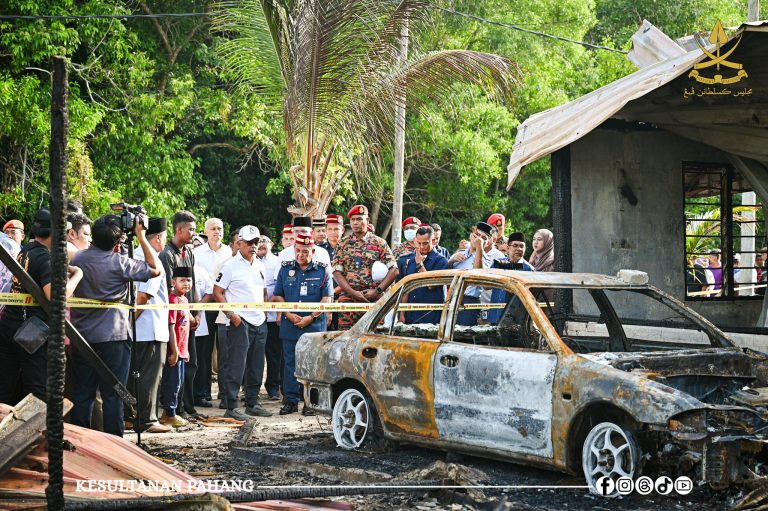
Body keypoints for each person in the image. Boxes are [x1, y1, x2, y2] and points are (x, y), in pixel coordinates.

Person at [70, 213, 161, 437]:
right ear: (118, 240)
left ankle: (79, 444)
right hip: (114, 337)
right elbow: (155, 269)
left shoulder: (78, 259)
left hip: (82, 336)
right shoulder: (120, 263)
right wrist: (141, 236)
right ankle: (114, 443)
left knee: (83, 393)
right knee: (114, 394)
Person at [0, 208, 83, 404]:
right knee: (38, 392)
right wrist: (78, 275)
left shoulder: (26, 250)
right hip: (32, 333)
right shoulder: (45, 257)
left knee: (5, 389)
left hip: (10, 326)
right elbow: (55, 296)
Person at [213, 225, 272, 420]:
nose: (253, 246)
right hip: (240, 321)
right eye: (249, 242)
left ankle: (252, 403)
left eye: (256, 242)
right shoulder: (230, 265)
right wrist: (232, 315)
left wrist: (263, 312)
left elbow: (263, 292)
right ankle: (231, 405)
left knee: (256, 365)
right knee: (236, 364)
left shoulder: (260, 265)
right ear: (239, 243)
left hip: (259, 320)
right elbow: (217, 292)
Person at [272, 233, 333, 415]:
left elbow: (326, 299)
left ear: (312, 252)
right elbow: (278, 295)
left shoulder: (322, 271)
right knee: (290, 364)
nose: (300, 255)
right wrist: (288, 314)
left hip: (313, 326)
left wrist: (311, 317)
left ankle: (310, 402)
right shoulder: (285, 270)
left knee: (312, 365)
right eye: (297, 251)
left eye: (305, 251)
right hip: (290, 324)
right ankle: (290, 401)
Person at [159, 211, 201, 419]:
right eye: (190, 229)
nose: (193, 233)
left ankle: (188, 407)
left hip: (188, 316)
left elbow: (192, 284)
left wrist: (196, 312)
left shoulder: (189, 252)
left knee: (190, 364)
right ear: (179, 229)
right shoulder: (166, 254)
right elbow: (170, 291)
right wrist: (186, 313)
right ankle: (174, 409)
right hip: (174, 319)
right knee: (174, 364)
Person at [132, 218, 172, 433]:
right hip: (149, 327)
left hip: (139, 327)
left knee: (138, 375)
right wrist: (130, 321)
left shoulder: (132, 255)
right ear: (157, 238)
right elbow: (143, 297)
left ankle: (134, 416)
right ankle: (147, 420)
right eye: (164, 238)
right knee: (150, 376)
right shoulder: (151, 259)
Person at [332, 205, 398, 329]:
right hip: (348, 302)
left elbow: (394, 270)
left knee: (374, 336)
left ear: (367, 221)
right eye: (353, 220)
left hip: (373, 301)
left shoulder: (379, 243)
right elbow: (336, 272)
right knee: (346, 337)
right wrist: (353, 293)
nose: (355, 223)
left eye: (359, 219)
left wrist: (377, 291)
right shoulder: (343, 243)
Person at [193, 217, 231, 407]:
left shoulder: (229, 252)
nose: (217, 232)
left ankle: (225, 393)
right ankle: (202, 392)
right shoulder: (197, 253)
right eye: (213, 228)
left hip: (224, 304)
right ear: (205, 231)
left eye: (220, 228)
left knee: (225, 351)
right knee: (203, 350)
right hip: (205, 305)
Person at [159, 267, 193, 427]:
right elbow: (170, 326)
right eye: (182, 280)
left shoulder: (184, 300)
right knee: (172, 382)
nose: (186, 283)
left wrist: (185, 350)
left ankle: (170, 413)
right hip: (175, 349)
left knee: (179, 382)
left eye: (189, 280)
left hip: (183, 349)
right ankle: (169, 413)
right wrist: (174, 351)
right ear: (173, 282)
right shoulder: (172, 300)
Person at [448, 221, 497, 326]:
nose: (478, 239)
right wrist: (451, 262)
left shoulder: (486, 260)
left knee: (463, 333)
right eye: (477, 235)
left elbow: (477, 275)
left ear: (488, 242)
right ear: (471, 235)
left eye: (483, 238)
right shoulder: (460, 253)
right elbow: (446, 274)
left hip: (469, 301)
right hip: (452, 298)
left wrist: (479, 248)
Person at [396, 225, 449, 324]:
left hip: (431, 316)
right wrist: (401, 314)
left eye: (425, 243)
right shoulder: (411, 260)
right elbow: (406, 289)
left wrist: (419, 265)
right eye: (419, 243)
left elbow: (430, 285)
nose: (421, 247)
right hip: (410, 315)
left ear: (433, 241)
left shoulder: (441, 261)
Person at [256, 235, 282, 401]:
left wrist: (275, 310)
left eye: (264, 241)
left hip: (272, 316)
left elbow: (280, 288)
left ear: (271, 244)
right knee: (254, 355)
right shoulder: (250, 261)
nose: (261, 244)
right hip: (253, 316)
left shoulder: (277, 262)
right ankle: (251, 388)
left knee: (274, 355)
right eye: (258, 241)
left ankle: (273, 388)